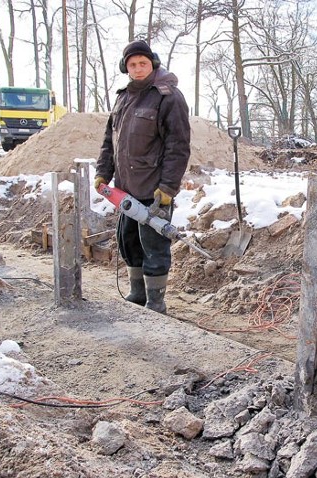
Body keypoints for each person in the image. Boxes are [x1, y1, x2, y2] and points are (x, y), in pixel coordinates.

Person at [95, 39, 191, 314]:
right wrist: (103, 173)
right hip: (125, 190)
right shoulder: (123, 97)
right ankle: (137, 295)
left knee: (154, 245)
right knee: (129, 242)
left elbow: (178, 146)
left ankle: (156, 302)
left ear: (153, 64)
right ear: (126, 67)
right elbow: (109, 142)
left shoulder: (168, 96)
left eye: (143, 64)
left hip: (154, 189)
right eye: (132, 65)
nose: (138, 69)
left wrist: (168, 187)